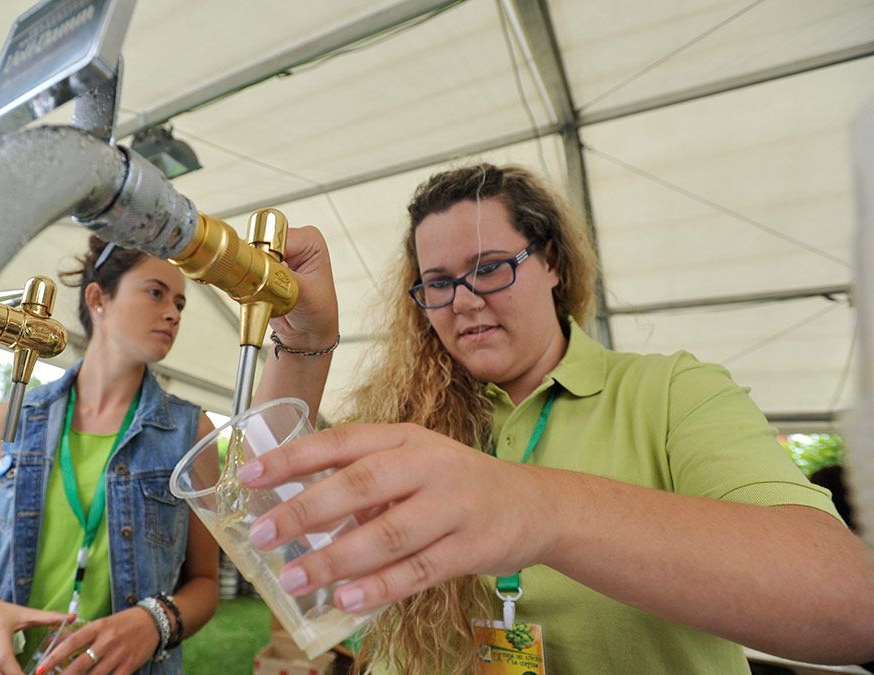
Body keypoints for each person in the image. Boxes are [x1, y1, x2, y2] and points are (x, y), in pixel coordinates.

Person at [237, 163, 874, 672]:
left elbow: (848, 608)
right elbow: (270, 521)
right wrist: (304, 336)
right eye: (438, 282)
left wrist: (536, 508)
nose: (463, 300)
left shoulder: (673, 392)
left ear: (552, 263)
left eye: (489, 268)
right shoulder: (403, 414)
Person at [0, 237, 219, 675]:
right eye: (156, 292)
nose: (174, 313)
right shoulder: (10, 420)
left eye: (180, 302)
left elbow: (205, 584)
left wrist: (154, 622)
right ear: (98, 297)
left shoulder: (191, 431)